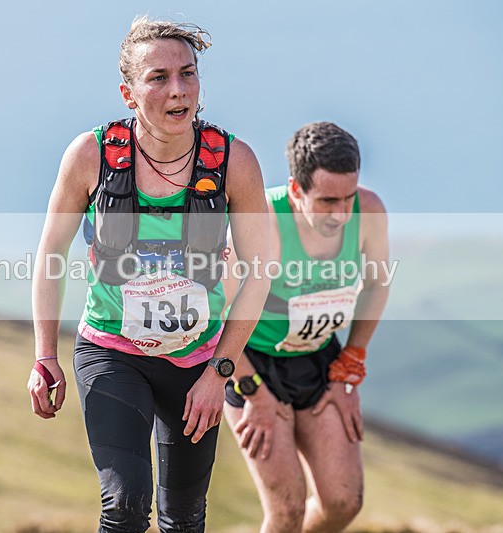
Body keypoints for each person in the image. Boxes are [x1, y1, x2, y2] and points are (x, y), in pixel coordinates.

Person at [27, 16, 270, 533]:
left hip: (197, 363)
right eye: (158, 77)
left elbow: (260, 275)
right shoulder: (91, 155)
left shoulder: (234, 162)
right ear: (129, 92)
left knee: (183, 520)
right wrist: (44, 357)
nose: (177, 89)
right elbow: (50, 254)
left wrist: (219, 373)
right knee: (126, 504)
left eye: (188, 73)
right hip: (112, 352)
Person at [222, 122, 390, 532]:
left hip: (320, 360)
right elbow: (215, 314)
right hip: (251, 365)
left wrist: (350, 364)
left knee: (343, 502)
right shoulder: (261, 220)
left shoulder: (368, 212)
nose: (341, 214)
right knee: (287, 510)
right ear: (297, 191)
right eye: (328, 200)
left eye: (348, 198)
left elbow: (376, 288)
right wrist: (251, 390)